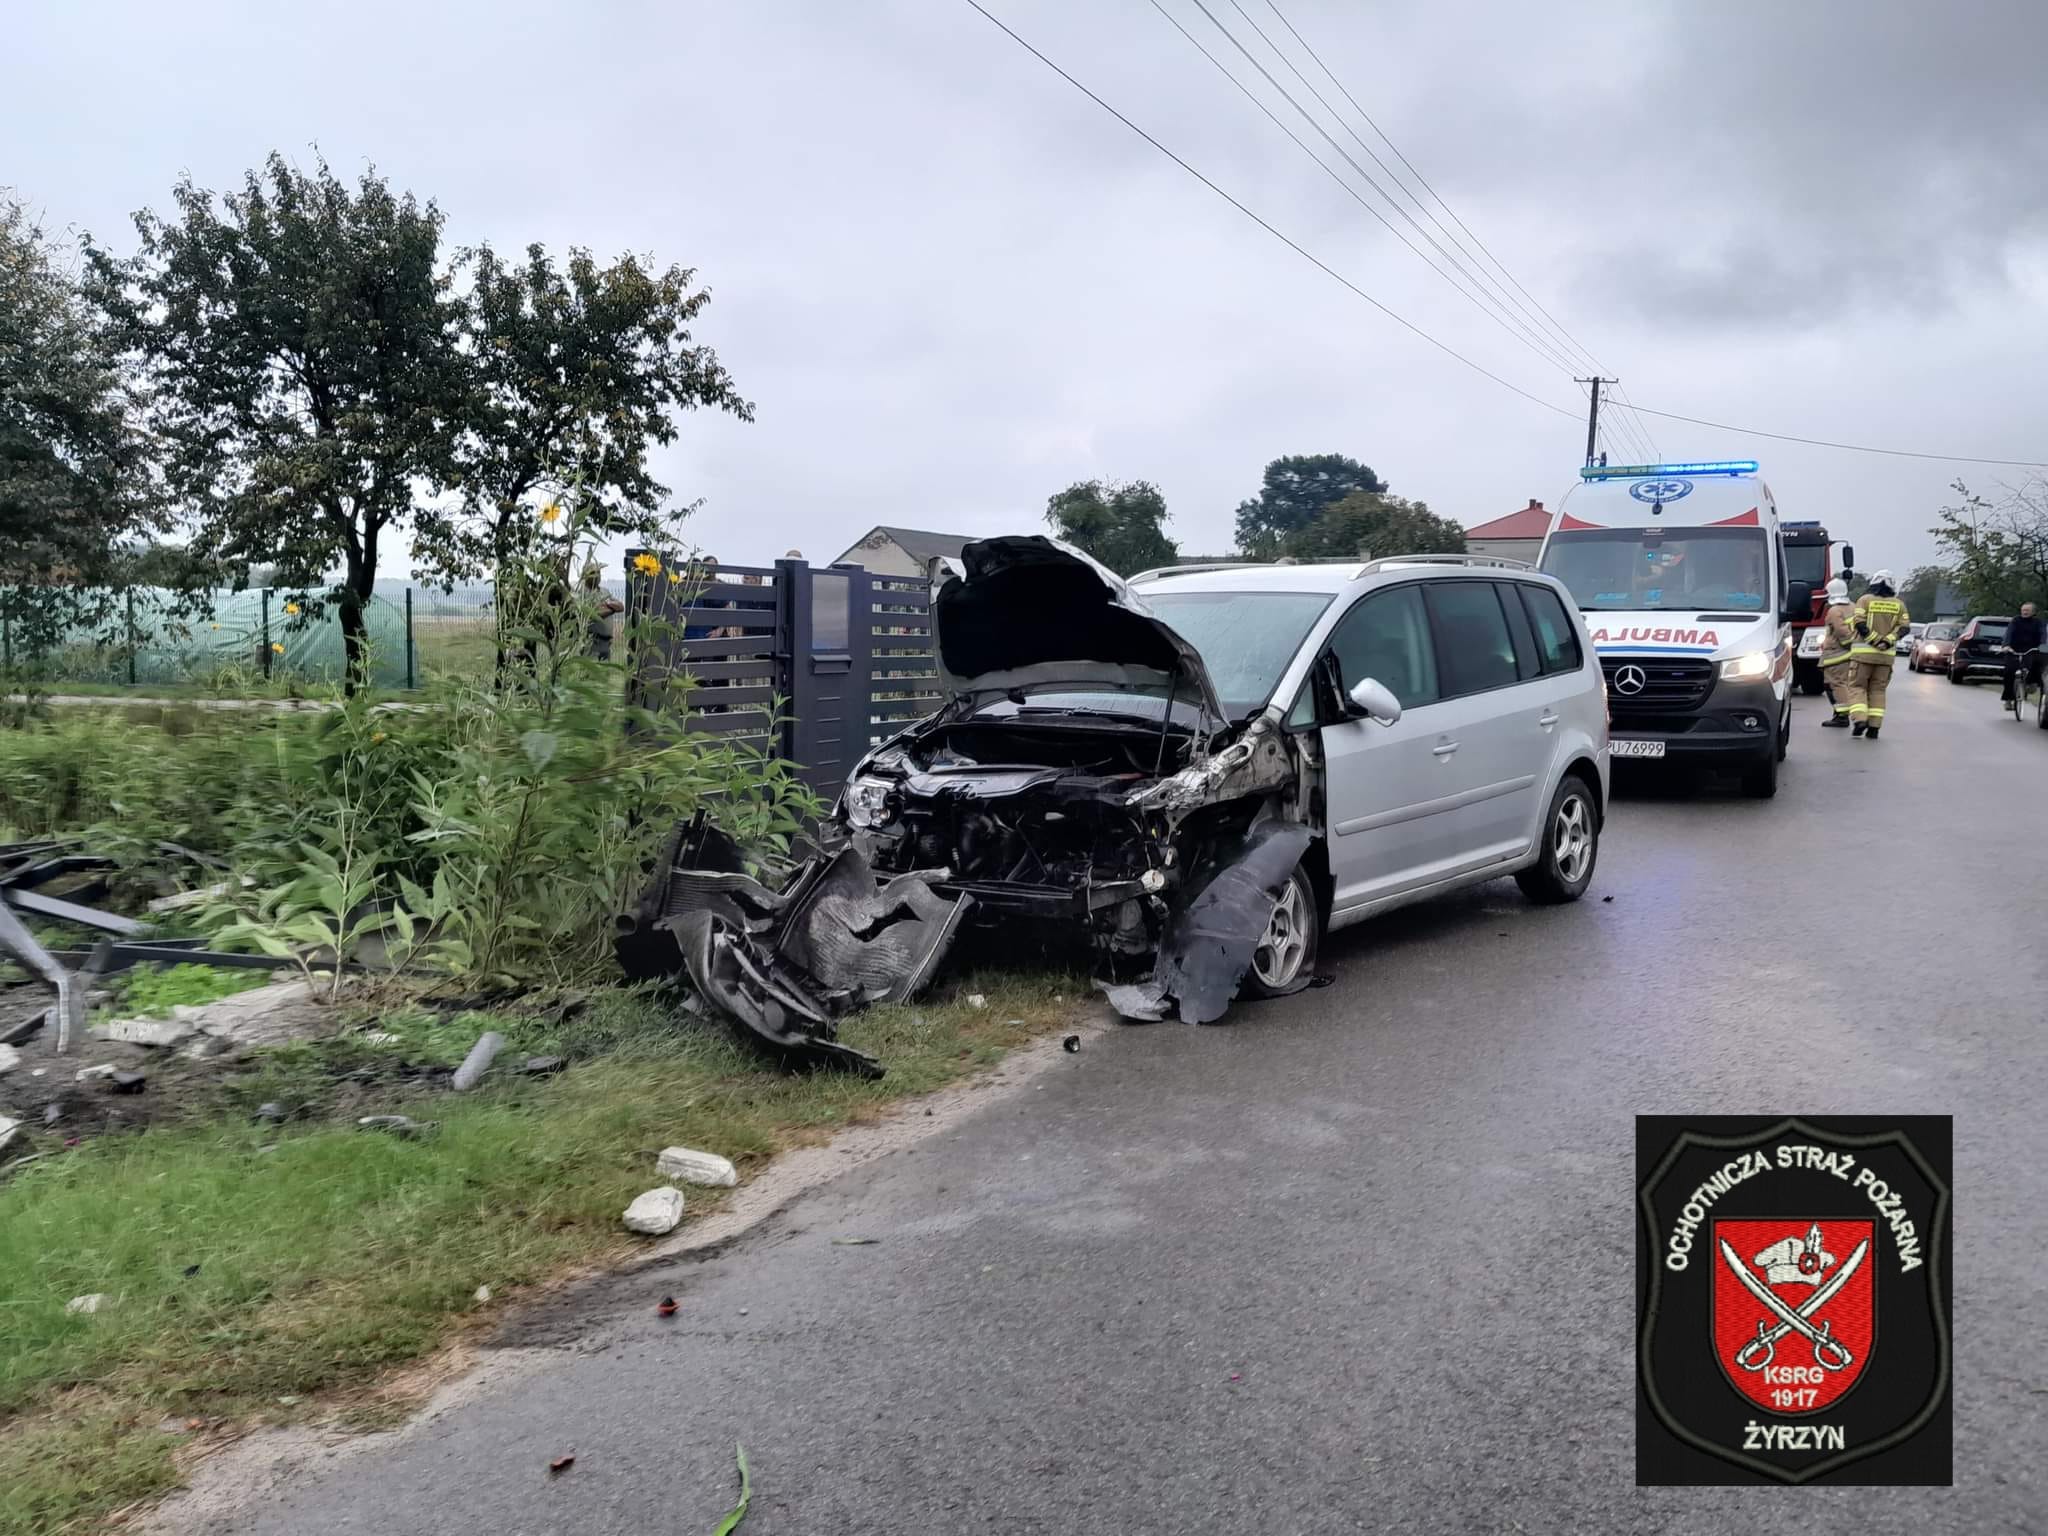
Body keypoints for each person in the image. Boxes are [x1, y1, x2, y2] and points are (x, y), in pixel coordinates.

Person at [1846, 570, 1911, 740]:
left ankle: (1860, 720)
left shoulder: (1864, 600)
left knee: (1857, 688)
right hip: (1885, 658)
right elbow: (1904, 628)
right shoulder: (1899, 604)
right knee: (1878, 691)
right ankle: (1874, 728)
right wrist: (1887, 641)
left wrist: (1873, 640)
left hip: (1862, 656)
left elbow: (1859, 622)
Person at [1817, 577, 1858, 727]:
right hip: (1850, 655)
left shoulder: (1834, 610)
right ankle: (1839, 714)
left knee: (1836, 684)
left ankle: (1842, 716)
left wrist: (1848, 643)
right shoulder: (1853, 606)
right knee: (1837, 684)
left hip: (1837, 655)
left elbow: (1841, 631)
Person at [1999, 600, 2043, 705]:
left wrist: (2041, 646)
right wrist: (2006, 645)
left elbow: (2042, 636)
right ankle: (2008, 699)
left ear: (2033, 612)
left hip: (2030, 650)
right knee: (2009, 672)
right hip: (2013, 649)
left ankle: (2032, 684)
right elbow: (2009, 633)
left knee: (2035, 664)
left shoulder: (2038, 623)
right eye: (2023, 610)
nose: (2024, 612)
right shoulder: (2015, 621)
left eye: (2027, 610)